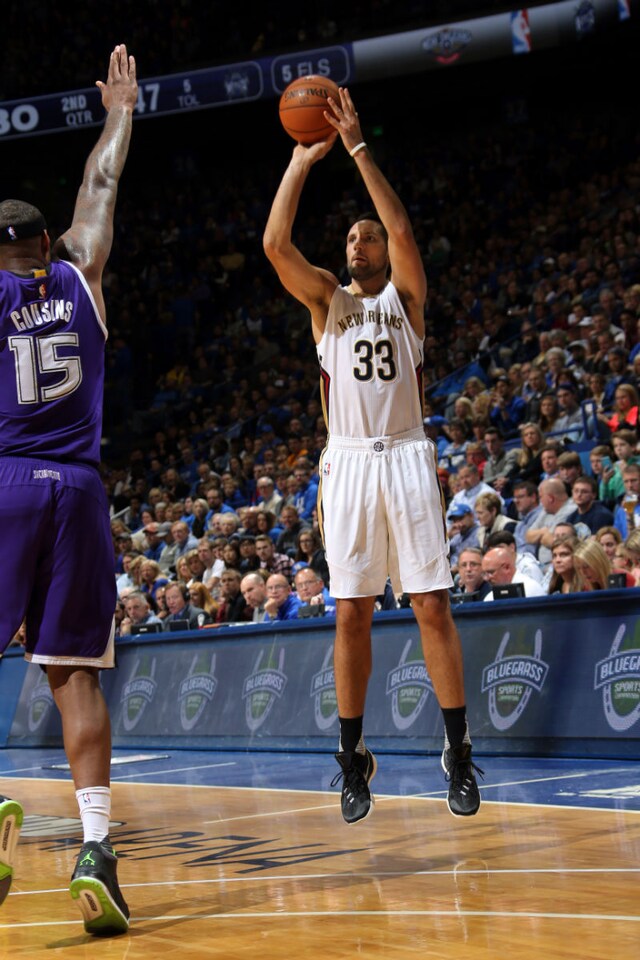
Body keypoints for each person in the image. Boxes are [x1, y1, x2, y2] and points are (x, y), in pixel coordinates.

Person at [263, 85, 482, 824]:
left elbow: (401, 227)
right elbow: (273, 246)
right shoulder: (327, 301)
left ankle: (457, 750)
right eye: (350, 239)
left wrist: (356, 149)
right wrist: (301, 160)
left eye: (367, 239)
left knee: (431, 606)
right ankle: (352, 757)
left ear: (384, 251)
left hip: (408, 457)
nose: (358, 244)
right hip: (350, 462)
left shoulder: (406, 300)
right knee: (350, 615)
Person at [0, 46, 136, 933]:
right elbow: (101, 183)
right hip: (79, 490)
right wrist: (120, 110)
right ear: (47, 244)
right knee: (74, 677)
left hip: (6, 483)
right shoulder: (81, 271)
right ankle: (94, 848)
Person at [481, 547, 546, 600]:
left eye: (491, 572)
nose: (487, 578)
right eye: (484, 574)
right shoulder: (489, 598)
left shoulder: (530, 589)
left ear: (506, 567)